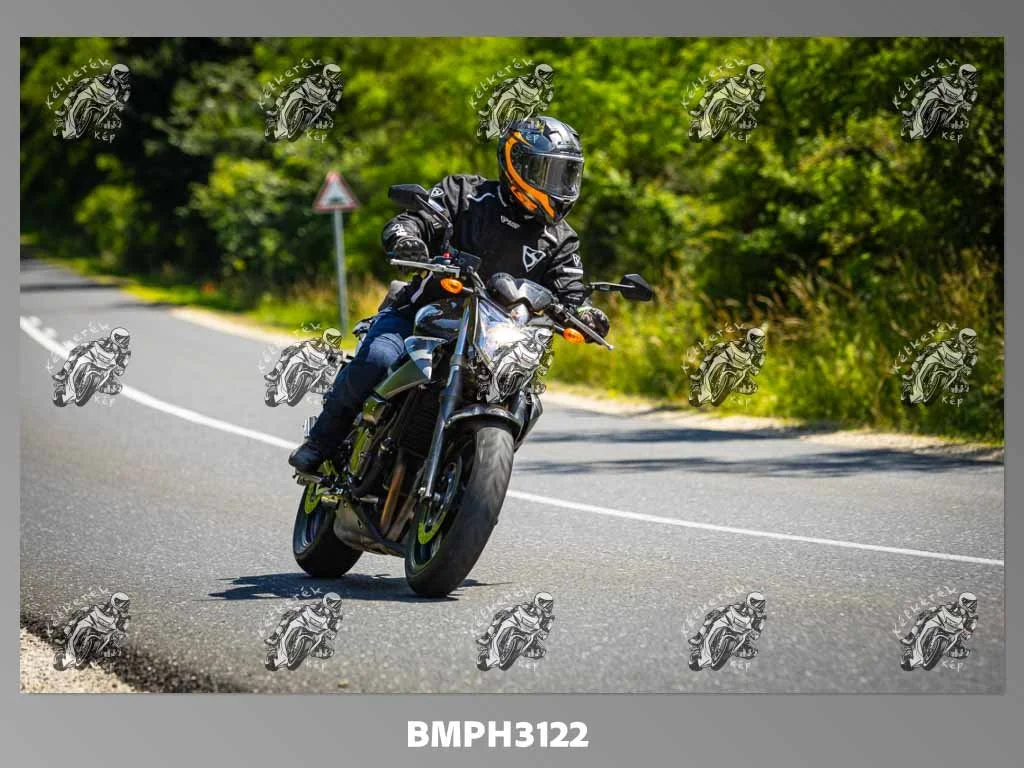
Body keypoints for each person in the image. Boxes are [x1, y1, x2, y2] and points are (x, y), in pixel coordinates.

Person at [289, 115, 609, 473]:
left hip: (495, 343)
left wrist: (586, 313)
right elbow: (415, 219)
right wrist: (406, 238)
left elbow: (571, 290)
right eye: (548, 172)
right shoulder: (465, 194)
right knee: (378, 359)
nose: (558, 185)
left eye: (566, 174)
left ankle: (466, 472)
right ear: (517, 163)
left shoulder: (561, 239)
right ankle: (322, 441)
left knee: (525, 399)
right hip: (421, 317)